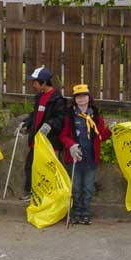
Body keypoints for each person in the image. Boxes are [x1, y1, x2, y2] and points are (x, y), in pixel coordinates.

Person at [59, 84, 112, 225]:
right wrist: (71, 145)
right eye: (78, 96)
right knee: (75, 187)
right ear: (75, 99)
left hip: (90, 159)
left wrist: (111, 130)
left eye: (84, 96)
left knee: (88, 187)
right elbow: (63, 135)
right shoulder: (69, 115)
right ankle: (76, 211)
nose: (81, 99)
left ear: (89, 98)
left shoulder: (96, 115)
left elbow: (101, 135)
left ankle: (86, 212)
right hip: (75, 158)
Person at [16, 66, 66, 201]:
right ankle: (29, 192)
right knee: (30, 165)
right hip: (36, 141)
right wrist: (25, 123)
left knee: (48, 170)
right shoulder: (39, 97)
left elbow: (60, 118)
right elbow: (35, 115)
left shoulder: (57, 99)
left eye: (35, 82)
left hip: (50, 143)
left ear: (43, 83)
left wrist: (50, 124)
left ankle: (49, 195)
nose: (33, 84)